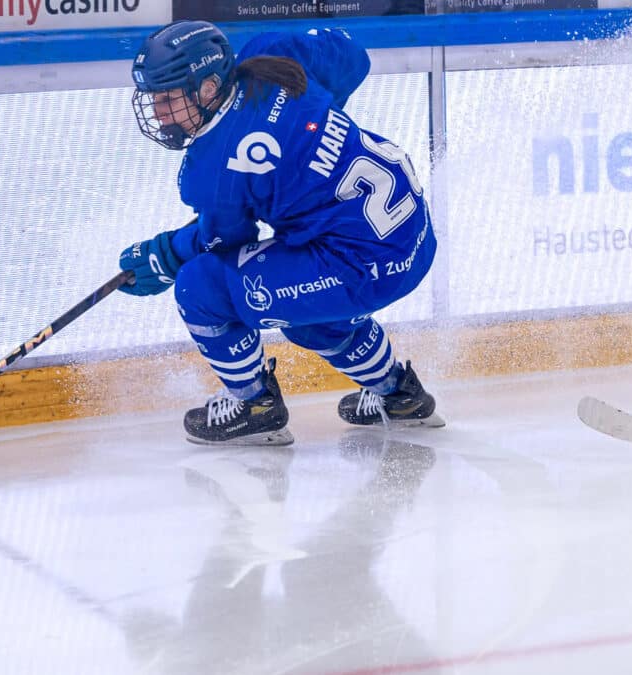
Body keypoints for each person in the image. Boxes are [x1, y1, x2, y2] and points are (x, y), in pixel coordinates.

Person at [117, 20, 444, 446]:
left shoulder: (212, 168)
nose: (159, 112)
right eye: (154, 98)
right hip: (413, 231)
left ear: (209, 87)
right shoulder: (271, 56)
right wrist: (314, 128)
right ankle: (400, 396)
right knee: (308, 318)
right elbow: (352, 56)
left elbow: (221, 247)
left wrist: (165, 255)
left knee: (197, 287)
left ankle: (254, 405)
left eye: (168, 98)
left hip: (363, 261)